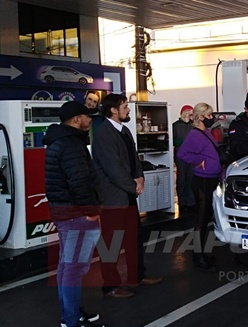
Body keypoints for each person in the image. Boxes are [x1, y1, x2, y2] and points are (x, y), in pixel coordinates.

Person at [92, 94, 162, 299]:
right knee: (112, 243)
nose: (128, 109)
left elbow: (134, 158)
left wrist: (140, 178)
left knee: (133, 239)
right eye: (124, 106)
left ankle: (137, 276)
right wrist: (133, 186)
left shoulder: (124, 131)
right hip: (113, 197)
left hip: (128, 195)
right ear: (113, 110)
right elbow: (113, 168)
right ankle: (110, 286)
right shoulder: (104, 134)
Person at [43, 101, 105, 327]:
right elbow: (80, 181)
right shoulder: (71, 144)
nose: (90, 120)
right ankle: (71, 320)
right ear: (77, 119)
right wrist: (91, 212)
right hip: (76, 213)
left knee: (67, 265)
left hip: (63, 211)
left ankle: (70, 314)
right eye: (87, 116)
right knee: (74, 268)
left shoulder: (59, 140)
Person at [177, 102, 222, 271]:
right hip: (202, 181)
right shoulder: (194, 134)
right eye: (209, 115)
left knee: (207, 217)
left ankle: (202, 252)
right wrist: (199, 162)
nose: (212, 118)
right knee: (201, 219)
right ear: (201, 117)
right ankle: (198, 256)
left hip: (211, 178)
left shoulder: (206, 132)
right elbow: (182, 154)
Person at [172, 104, 196, 214]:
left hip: (192, 155)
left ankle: (190, 202)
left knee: (191, 178)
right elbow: (172, 141)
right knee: (182, 178)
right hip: (181, 156)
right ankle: (182, 202)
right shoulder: (175, 126)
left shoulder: (194, 125)